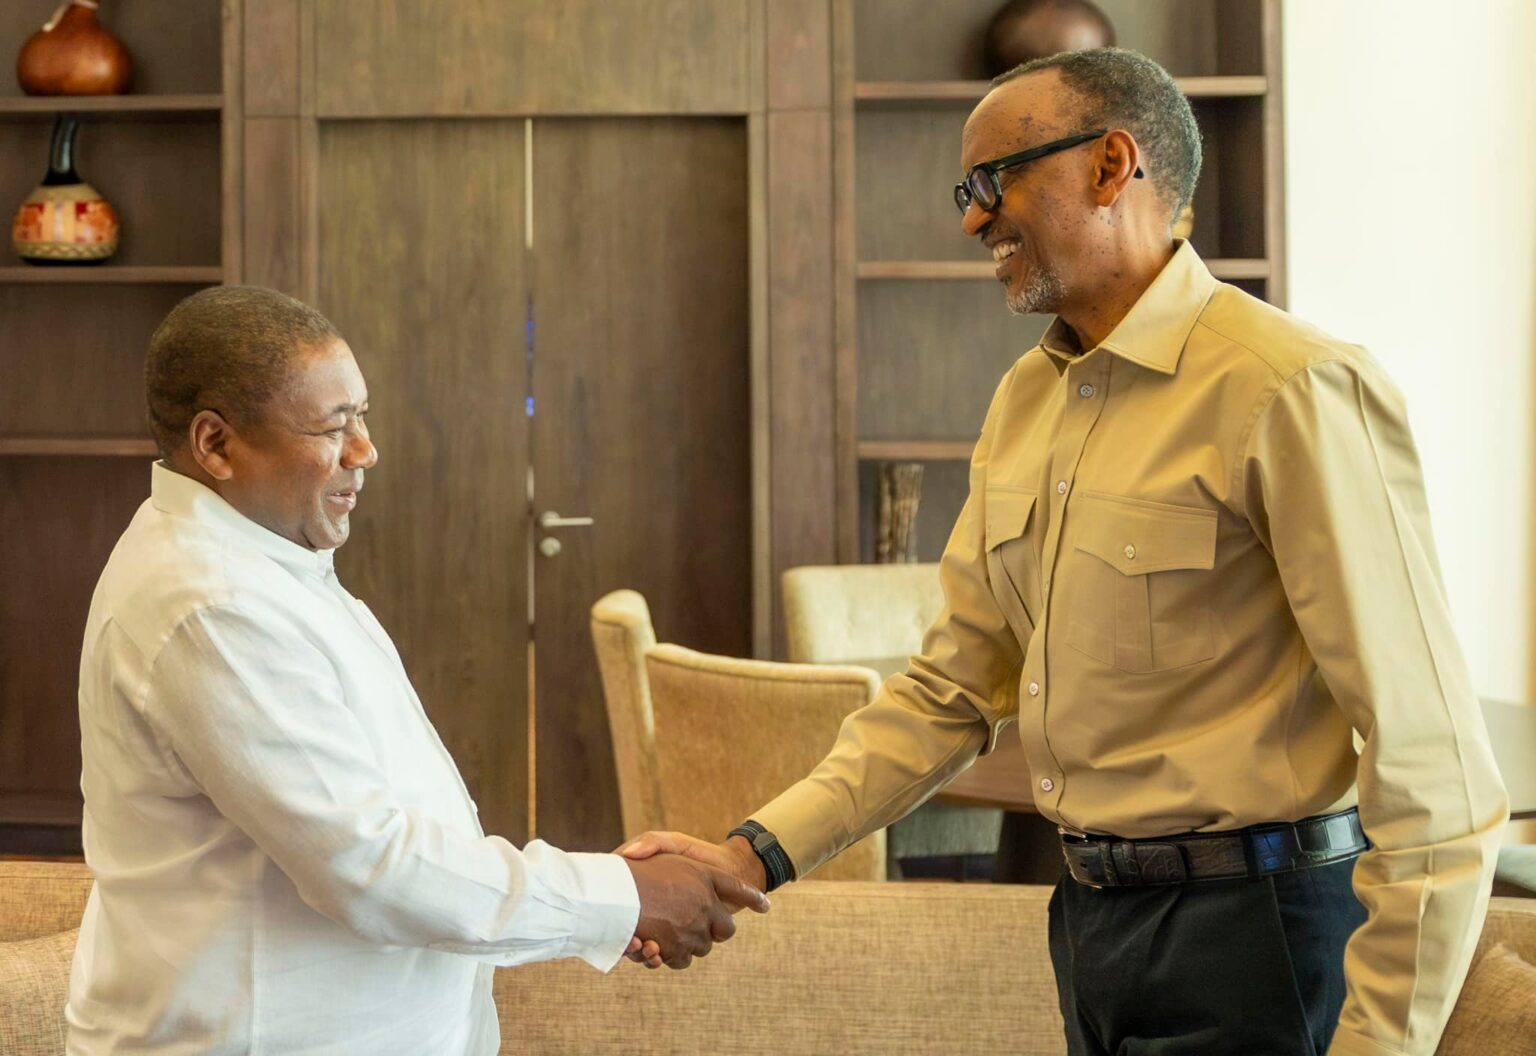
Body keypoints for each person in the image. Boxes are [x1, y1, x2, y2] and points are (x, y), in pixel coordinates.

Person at [620, 47, 1508, 1056]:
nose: (973, 220)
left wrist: (1383, 1044)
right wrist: (748, 855)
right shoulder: (1026, 401)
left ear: (1110, 165)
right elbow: (947, 693)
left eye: (993, 182)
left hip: (1260, 940)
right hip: (1091, 929)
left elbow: (1436, 775)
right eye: (966, 192)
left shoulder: (1292, 389)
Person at [67, 286, 766, 1055]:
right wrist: (618, 897)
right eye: (333, 426)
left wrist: (618, 899)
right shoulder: (211, 604)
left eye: (362, 416)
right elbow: (371, 867)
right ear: (216, 444)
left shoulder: (265, 563)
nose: (365, 451)